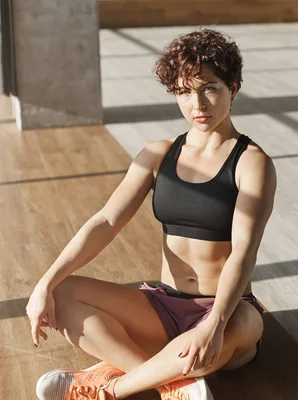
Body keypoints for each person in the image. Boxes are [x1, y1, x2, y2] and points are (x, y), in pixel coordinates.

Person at [26, 27, 277, 400]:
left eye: (209, 87)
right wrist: (44, 284)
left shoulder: (251, 163)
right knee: (61, 296)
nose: (198, 104)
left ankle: (111, 387)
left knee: (245, 325)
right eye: (184, 91)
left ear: (233, 88)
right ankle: (174, 384)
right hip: (162, 304)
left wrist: (216, 324)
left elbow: (244, 251)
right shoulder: (159, 154)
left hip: (228, 309)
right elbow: (106, 221)